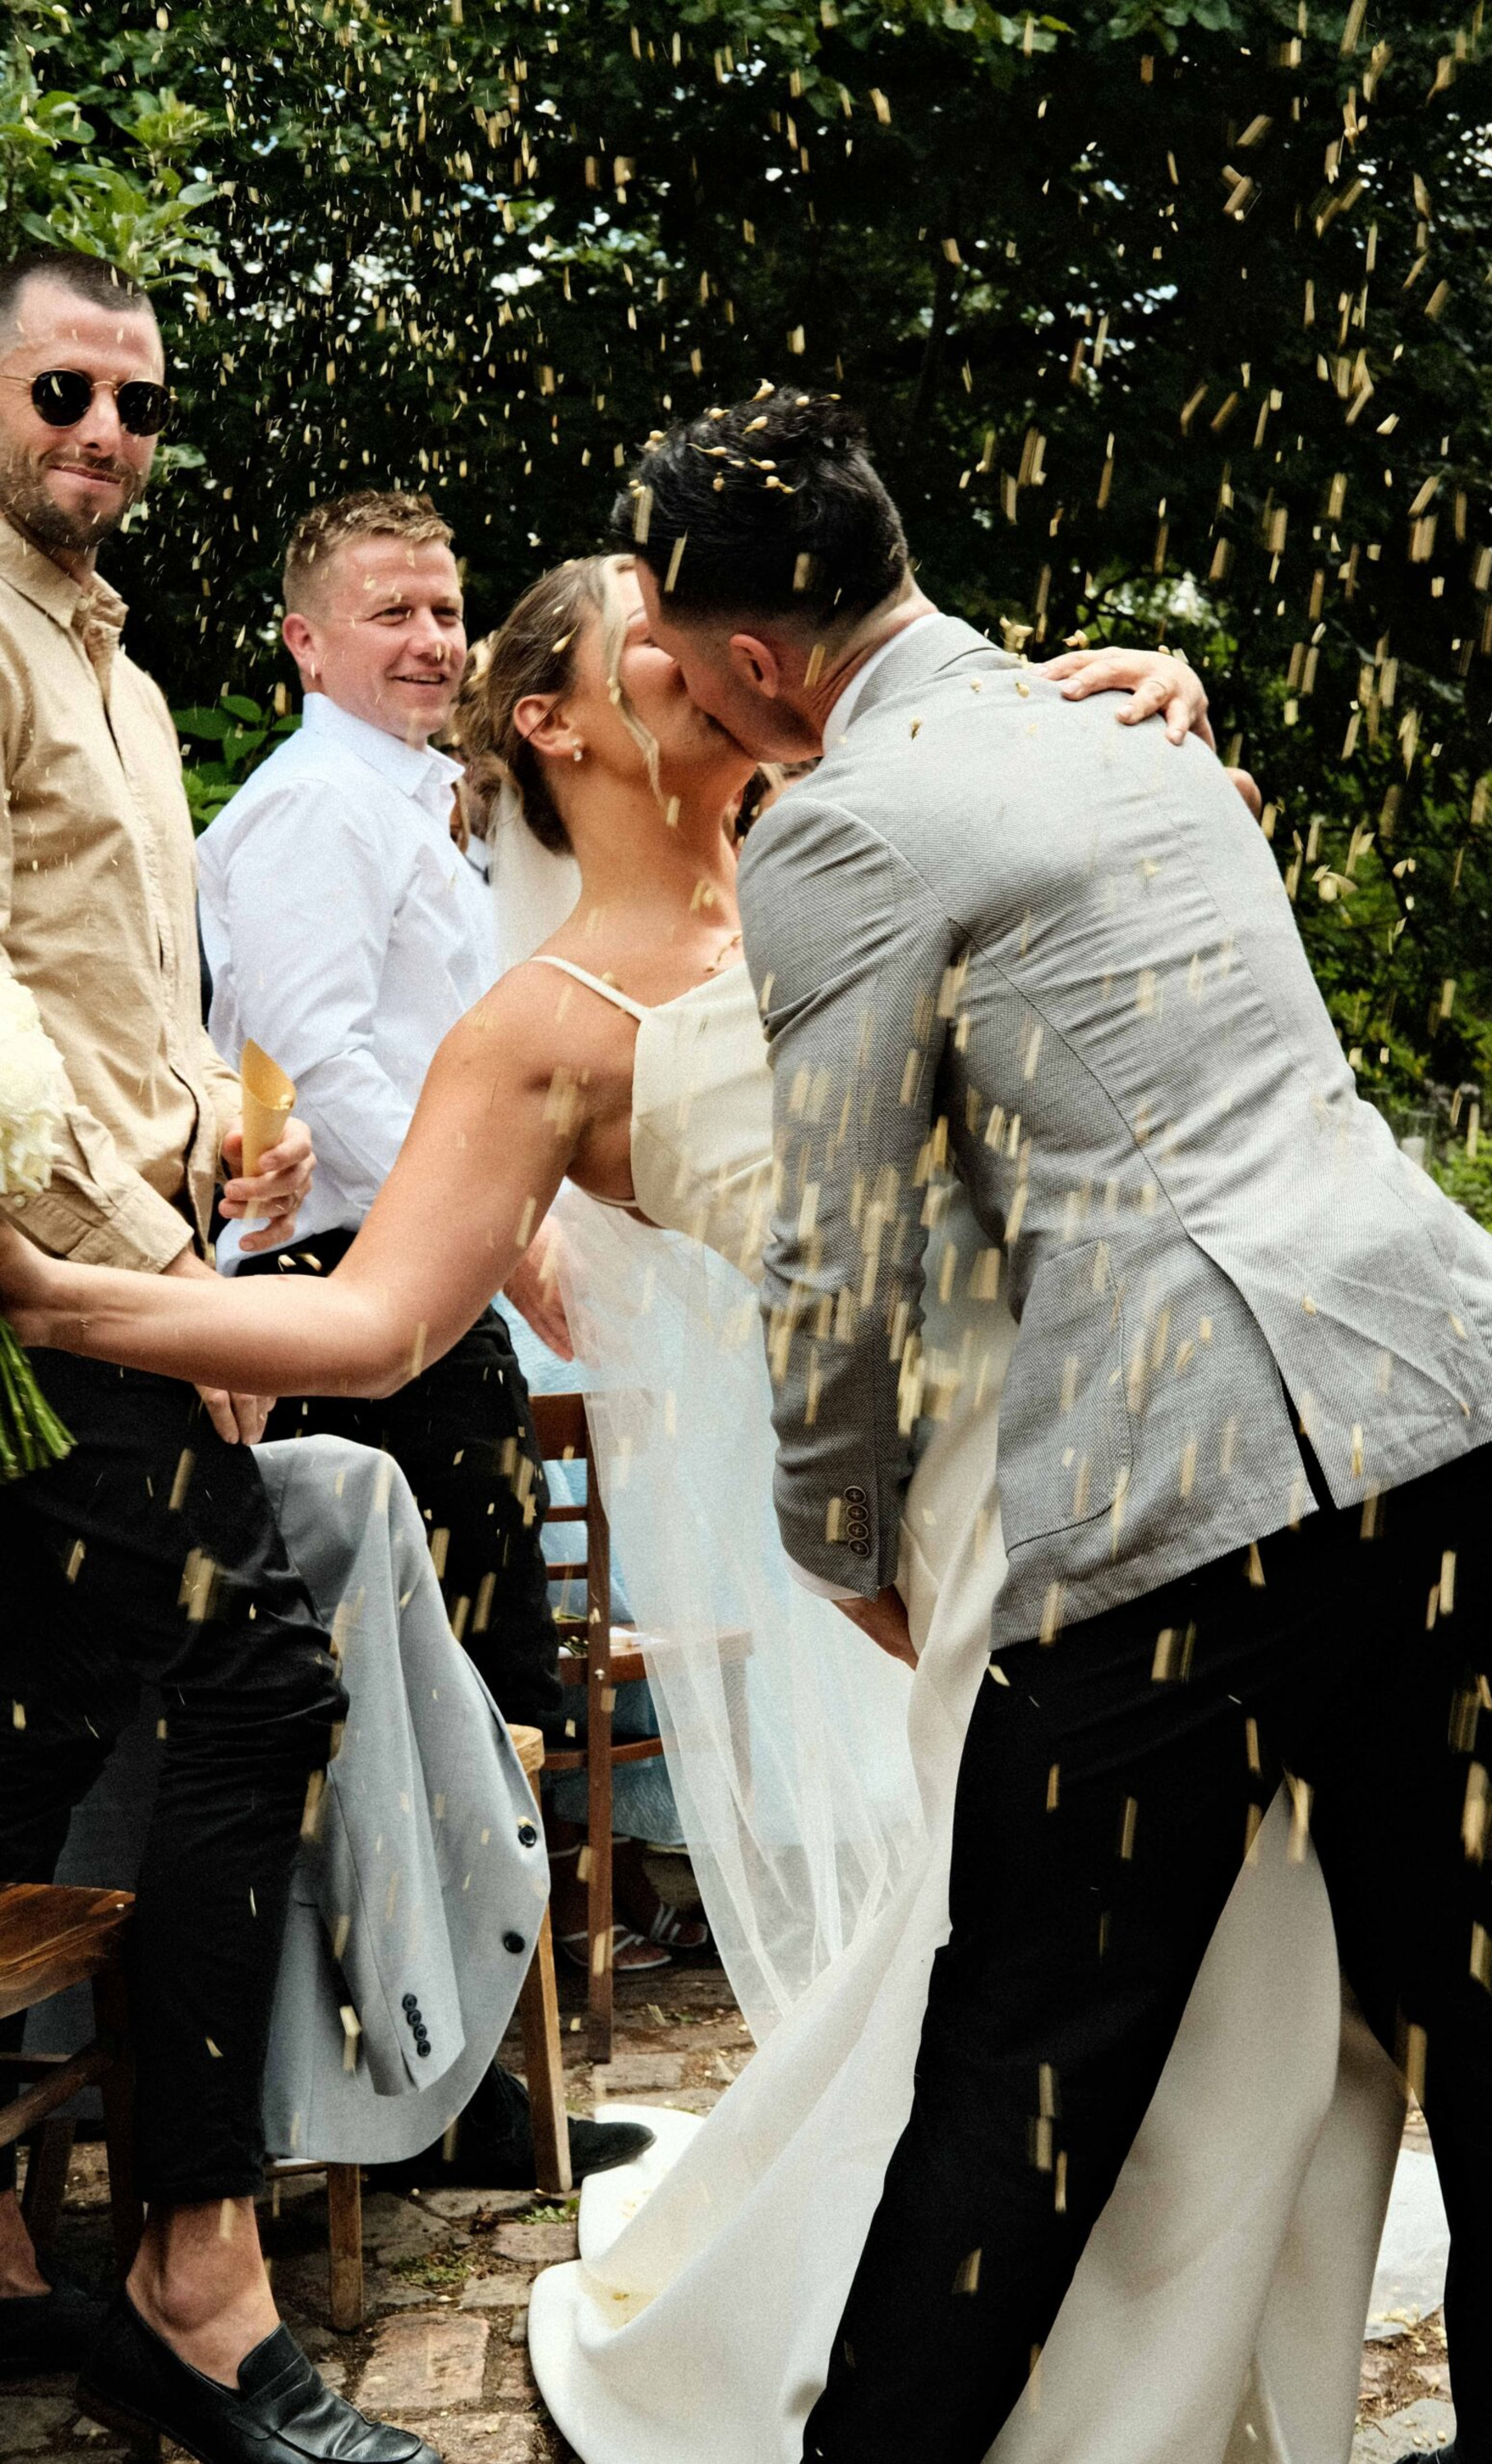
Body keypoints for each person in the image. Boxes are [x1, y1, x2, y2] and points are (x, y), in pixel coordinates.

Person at [0, 555, 1431, 2464]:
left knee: (1270, 1953)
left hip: (1167, 1445)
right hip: (973, 1528)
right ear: (561, 720)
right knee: (1153, 1955)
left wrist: (1162, 717)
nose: (701, 642)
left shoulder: (871, 835)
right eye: (646, 627)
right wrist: (50, 1294)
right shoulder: (540, 1024)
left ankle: (1205, 2386)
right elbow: (368, 1317)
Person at [615, 389, 1492, 2464]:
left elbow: (843, 1255)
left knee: (1025, 2042)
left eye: (668, 641)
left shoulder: (834, 829)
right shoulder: (1127, 730)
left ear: (746, 662)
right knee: (1472, 1973)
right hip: (1435, 1416)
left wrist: (844, 1537)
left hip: (1200, 1496)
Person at [0, 245, 436, 2464]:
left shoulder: (131, 685)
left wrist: (217, 1205)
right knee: (255, 1668)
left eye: (139, 403)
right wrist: (138, 1274)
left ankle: (30, 2243)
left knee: (78, 1721)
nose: (103, 430)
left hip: (136, 1270)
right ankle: (194, 2274)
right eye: (62, 386)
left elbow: (139, 1010)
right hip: (26, 1293)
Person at [197, 486, 665, 2153]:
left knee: (495, 1693)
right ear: (304, 639)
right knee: (422, 1710)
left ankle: (474, 2076)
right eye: (388, 608)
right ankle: (427, 2086)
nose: (431, 637)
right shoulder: (312, 810)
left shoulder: (423, 808)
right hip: (348, 1309)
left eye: (445, 606)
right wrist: (495, 1230)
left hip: (424, 1297)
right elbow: (313, 1059)